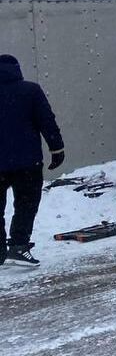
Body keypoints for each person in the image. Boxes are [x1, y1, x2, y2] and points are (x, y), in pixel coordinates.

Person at [0, 54, 65, 266]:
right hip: (27, 162)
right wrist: (57, 148)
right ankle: (19, 245)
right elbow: (47, 120)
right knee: (26, 204)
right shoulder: (30, 90)